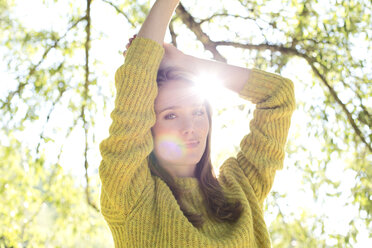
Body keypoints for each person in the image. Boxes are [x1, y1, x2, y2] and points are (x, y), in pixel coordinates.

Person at [98, 0, 295, 247]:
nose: (190, 126)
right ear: (147, 126)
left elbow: (279, 95)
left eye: (198, 112)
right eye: (171, 115)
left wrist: (183, 62)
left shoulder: (242, 187)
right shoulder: (131, 197)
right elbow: (135, 83)